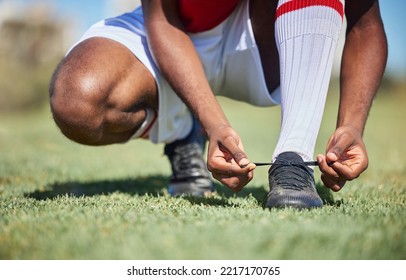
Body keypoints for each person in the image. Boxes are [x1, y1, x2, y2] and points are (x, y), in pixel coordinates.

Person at [49, 0, 387, 209]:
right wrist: (213, 124)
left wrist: (352, 125)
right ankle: (185, 130)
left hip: (272, 33)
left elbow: (365, 24)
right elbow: (162, 18)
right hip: (177, 25)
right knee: (76, 102)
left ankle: (293, 158)